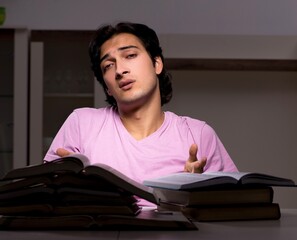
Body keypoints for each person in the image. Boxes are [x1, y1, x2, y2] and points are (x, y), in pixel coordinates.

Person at [44, 22, 238, 203]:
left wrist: (198, 192)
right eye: (108, 66)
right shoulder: (81, 124)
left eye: (130, 55)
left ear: (157, 64)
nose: (119, 70)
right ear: (107, 87)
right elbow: (45, 198)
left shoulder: (199, 134)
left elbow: (235, 204)